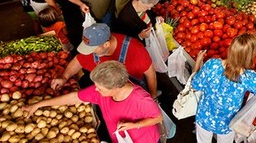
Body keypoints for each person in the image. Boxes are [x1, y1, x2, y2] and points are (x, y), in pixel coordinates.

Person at [25, 61, 162, 143]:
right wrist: (38, 105)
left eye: (100, 88)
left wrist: (135, 125)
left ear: (115, 88)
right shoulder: (101, 91)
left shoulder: (140, 99)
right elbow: (74, 97)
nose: (96, 89)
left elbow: (157, 118)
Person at [191, 33, 256, 143]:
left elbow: (195, 84)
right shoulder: (248, 78)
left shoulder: (212, 64)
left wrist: (198, 61)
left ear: (231, 49)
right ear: (250, 57)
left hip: (204, 117)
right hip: (227, 124)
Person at [51, 23, 157, 98]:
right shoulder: (96, 49)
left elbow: (150, 74)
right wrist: (64, 77)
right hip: (106, 93)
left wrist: (153, 96)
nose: (90, 52)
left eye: (92, 49)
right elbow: (78, 60)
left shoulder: (135, 50)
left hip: (130, 94)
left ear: (106, 44)